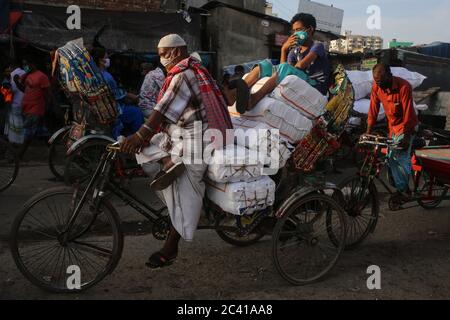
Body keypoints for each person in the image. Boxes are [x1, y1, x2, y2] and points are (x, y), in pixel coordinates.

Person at [120, 34, 233, 269]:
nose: (161, 58)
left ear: (178, 51)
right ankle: (171, 193)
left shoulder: (184, 73)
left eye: (164, 53)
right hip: (182, 132)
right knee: (148, 153)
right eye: (160, 54)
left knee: (187, 184)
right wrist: (144, 138)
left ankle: (171, 246)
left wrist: (141, 134)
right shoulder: (187, 71)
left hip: (200, 136)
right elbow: (165, 114)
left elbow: (161, 109)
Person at [225, 13, 331, 113]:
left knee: (285, 68)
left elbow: (299, 66)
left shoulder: (317, 46)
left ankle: (253, 100)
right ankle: (234, 94)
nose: (295, 34)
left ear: (310, 30)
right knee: (265, 65)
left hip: (315, 85)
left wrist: (286, 58)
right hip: (301, 79)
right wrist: (284, 49)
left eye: (298, 30)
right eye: (294, 31)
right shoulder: (295, 50)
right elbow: (282, 66)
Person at [367, 62, 419, 195]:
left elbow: (408, 113)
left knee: (398, 157)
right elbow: (373, 110)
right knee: (389, 159)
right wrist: (367, 132)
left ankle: (404, 193)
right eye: (377, 81)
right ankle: (400, 187)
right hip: (393, 127)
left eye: (382, 81)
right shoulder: (376, 87)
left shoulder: (404, 87)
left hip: (406, 126)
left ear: (390, 76)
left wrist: (407, 136)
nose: (380, 85)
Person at [90, 47, 144, 138]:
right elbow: (116, 95)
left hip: (102, 107)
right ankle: (135, 139)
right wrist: (131, 96)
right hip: (113, 109)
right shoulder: (106, 76)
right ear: (100, 60)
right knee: (137, 112)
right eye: (106, 57)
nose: (108, 59)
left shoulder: (95, 74)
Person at [14, 56, 56, 160]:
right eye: (23, 64)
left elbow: (48, 93)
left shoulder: (41, 76)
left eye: (26, 64)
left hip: (36, 109)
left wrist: (48, 106)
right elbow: (24, 89)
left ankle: (18, 156)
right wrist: (16, 82)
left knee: (28, 134)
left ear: (32, 64)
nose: (25, 66)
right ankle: (54, 153)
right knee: (42, 132)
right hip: (27, 108)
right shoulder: (26, 76)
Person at [4, 61, 26, 145]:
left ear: (11, 67)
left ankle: (16, 141)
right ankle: (22, 140)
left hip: (15, 103)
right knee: (22, 122)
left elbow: (11, 90)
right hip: (25, 102)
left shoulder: (12, 74)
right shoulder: (24, 72)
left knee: (15, 124)